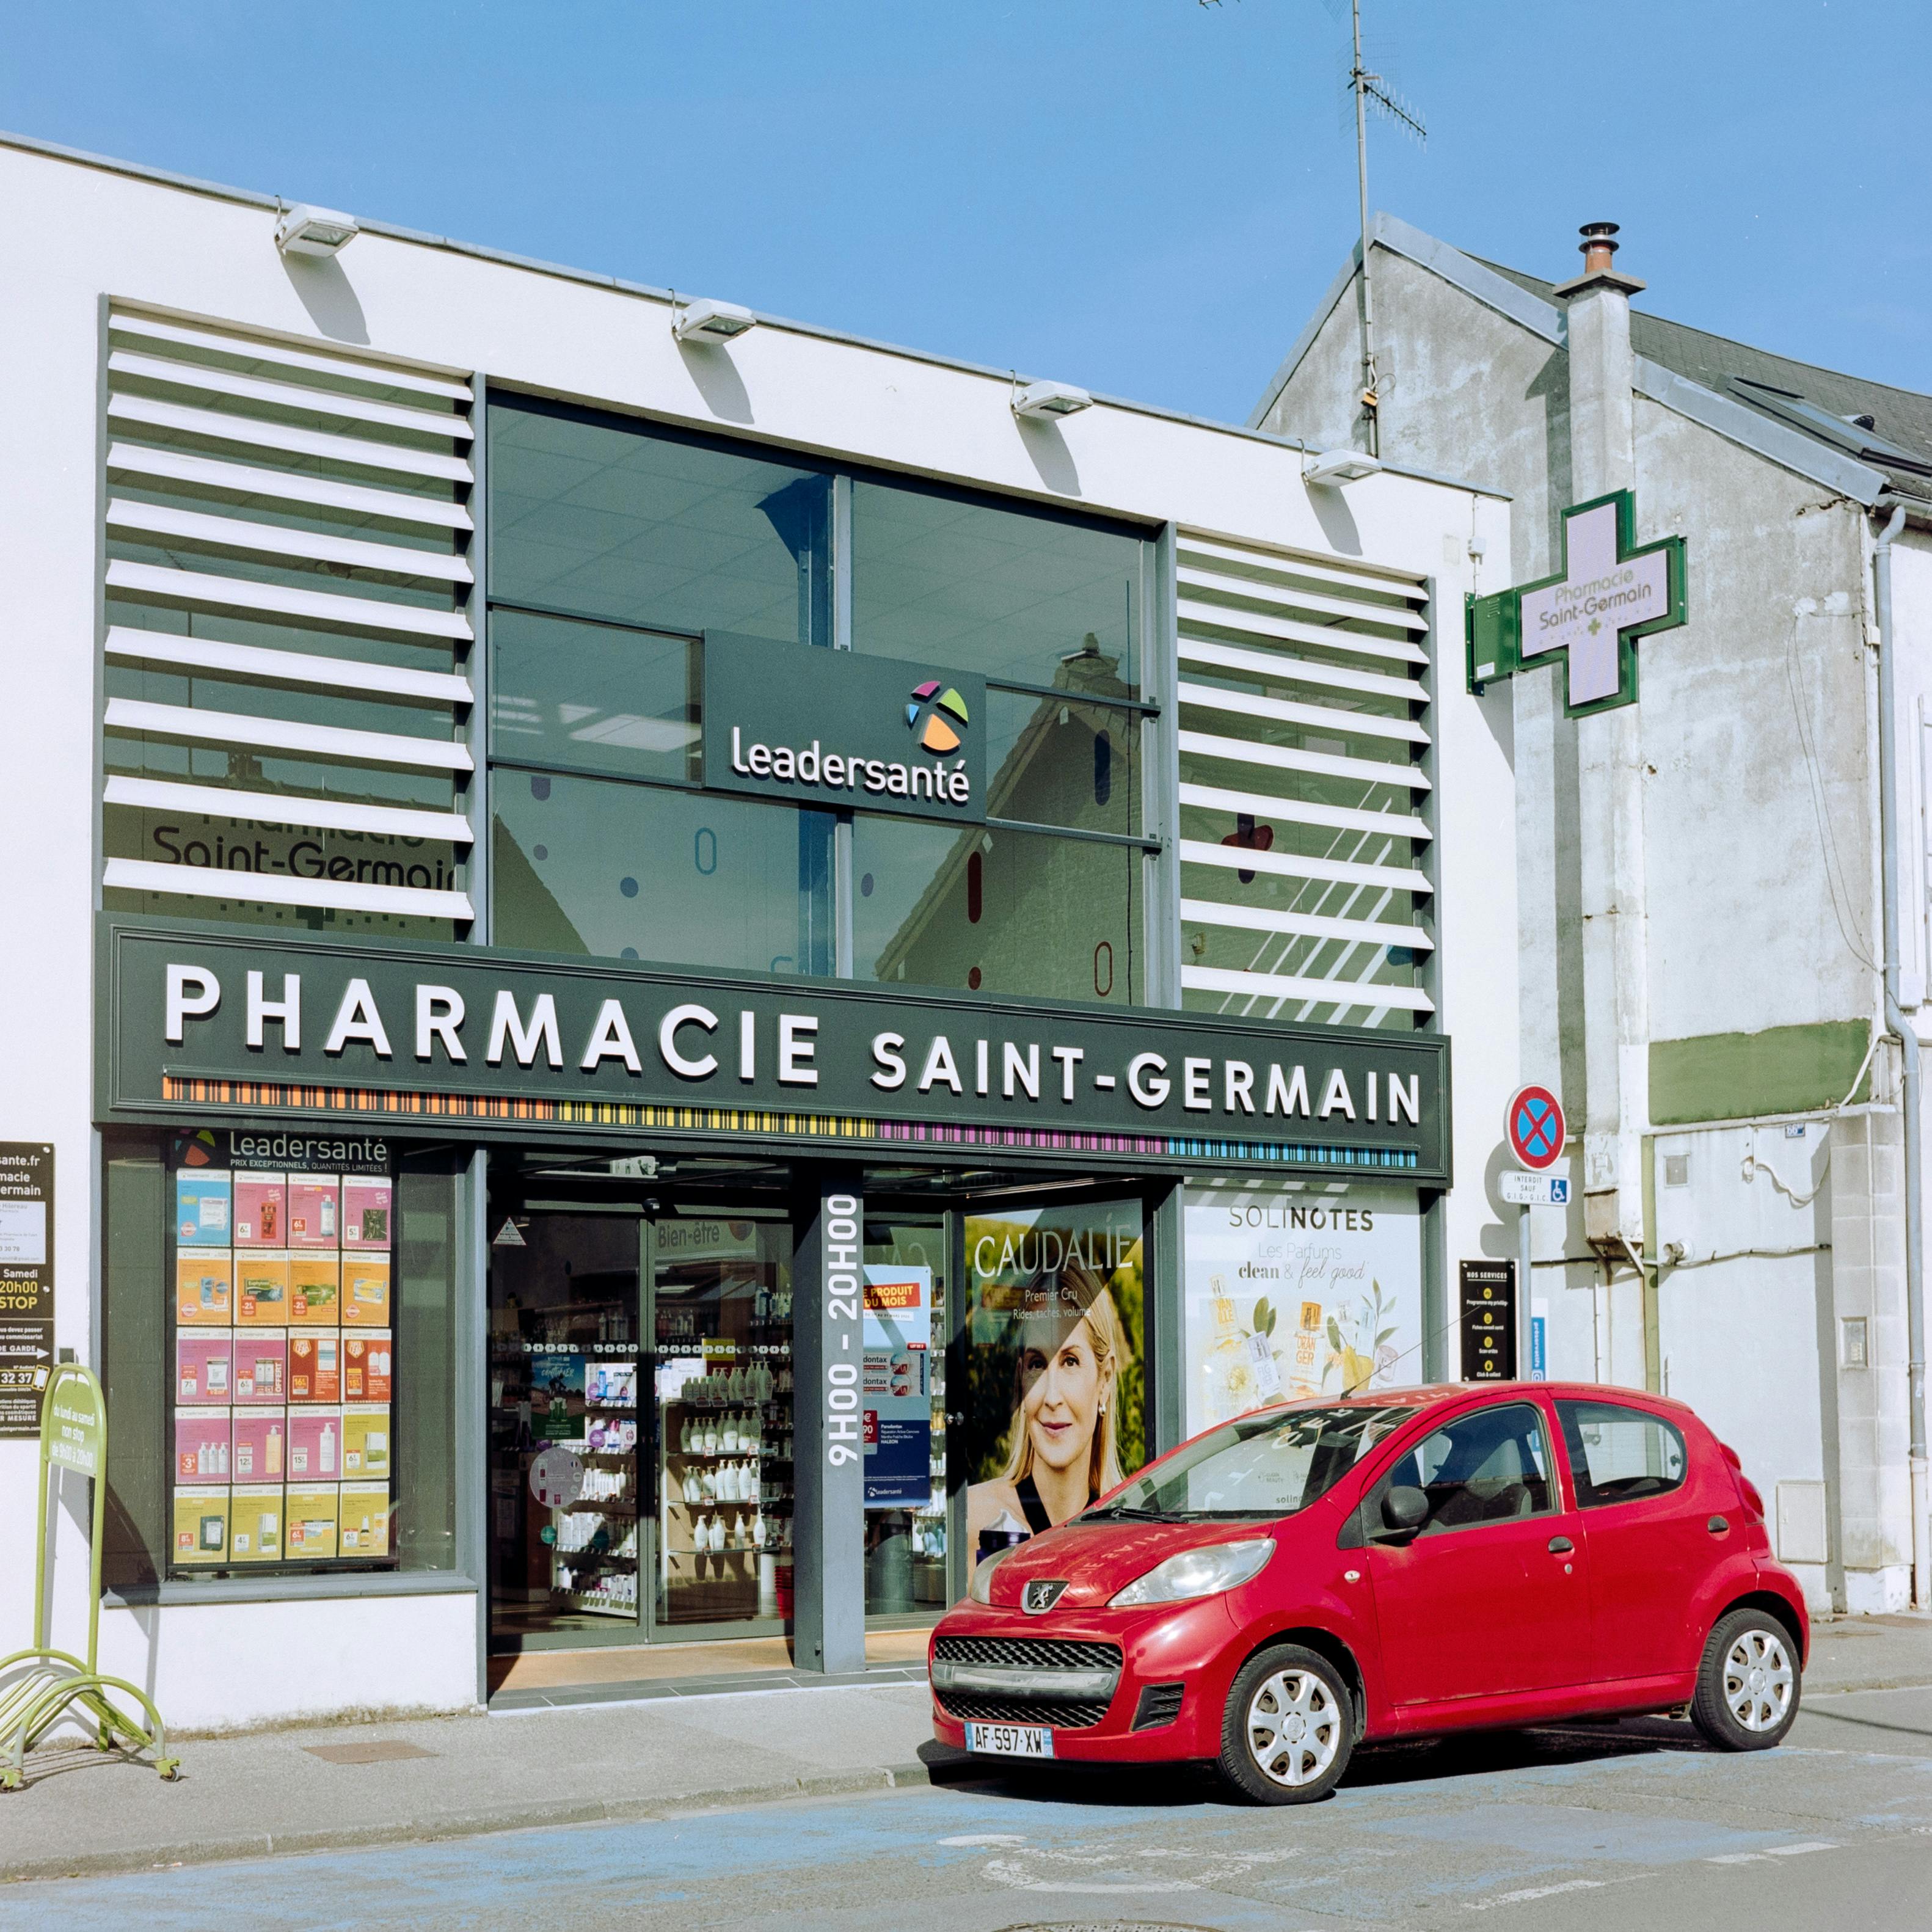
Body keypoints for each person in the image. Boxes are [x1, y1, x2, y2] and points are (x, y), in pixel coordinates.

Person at [967, 1253, 1131, 1555]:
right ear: (1020, 1378)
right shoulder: (975, 1517)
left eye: (1070, 1362)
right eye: (1037, 1364)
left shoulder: (1131, 1530)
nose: (1052, 1397)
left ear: (1105, 1379)